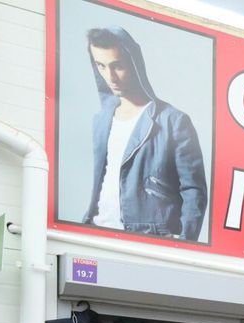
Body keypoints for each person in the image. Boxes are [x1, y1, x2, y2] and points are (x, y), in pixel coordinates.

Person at [83, 26, 208, 241]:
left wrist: (185, 241)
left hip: (148, 237)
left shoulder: (173, 121)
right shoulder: (101, 120)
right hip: (96, 233)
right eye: (101, 66)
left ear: (134, 63)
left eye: (117, 66)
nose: (110, 77)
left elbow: (194, 190)